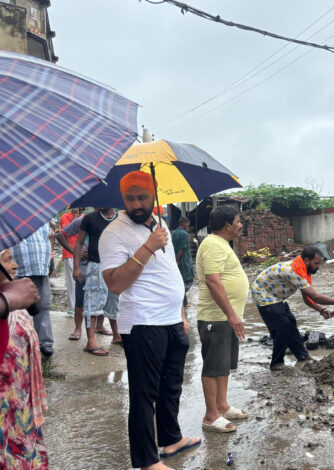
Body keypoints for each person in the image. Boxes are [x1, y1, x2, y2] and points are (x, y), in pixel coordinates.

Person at [100, 171, 199, 470]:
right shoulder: (114, 233)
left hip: (170, 319)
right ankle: (146, 461)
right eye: (130, 198)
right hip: (142, 323)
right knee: (144, 395)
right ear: (123, 199)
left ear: (154, 195)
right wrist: (148, 247)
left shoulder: (160, 223)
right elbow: (115, 283)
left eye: (142, 197)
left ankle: (171, 439)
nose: (136, 203)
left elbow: (167, 272)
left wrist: (180, 313)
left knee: (172, 386)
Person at [252, 246, 334, 371]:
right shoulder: (294, 271)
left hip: (276, 296)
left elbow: (307, 298)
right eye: (316, 263)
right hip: (263, 294)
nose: (319, 266)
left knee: (290, 323)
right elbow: (315, 296)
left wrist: (322, 310)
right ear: (307, 260)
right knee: (283, 327)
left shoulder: (302, 269)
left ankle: (302, 356)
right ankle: (276, 363)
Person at [195, 206, 250, 433]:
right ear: (227, 224)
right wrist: (230, 315)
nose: (240, 225)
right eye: (238, 221)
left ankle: (222, 405)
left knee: (223, 365)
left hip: (226, 317)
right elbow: (213, 281)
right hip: (216, 317)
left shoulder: (221, 244)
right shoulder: (212, 245)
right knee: (213, 365)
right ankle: (210, 415)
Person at [0, 248, 48, 469]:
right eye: (7, 260)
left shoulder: (13, 304)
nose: (15, 265)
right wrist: (7, 301)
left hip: (19, 405)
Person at [73, 206, 121, 355]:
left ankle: (117, 335)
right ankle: (91, 341)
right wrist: (76, 267)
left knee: (115, 301)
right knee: (92, 302)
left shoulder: (121, 219)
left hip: (116, 265)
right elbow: (79, 243)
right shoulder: (90, 218)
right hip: (95, 265)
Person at [11, 224, 53, 357]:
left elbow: (48, 241)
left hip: (40, 269)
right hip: (18, 270)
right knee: (17, 310)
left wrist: (50, 263)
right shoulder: (10, 222)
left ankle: (44, 342)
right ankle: (17, 342)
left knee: (43, 306)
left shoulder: (42, 222)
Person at [57, 213, 88, 341]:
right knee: (79, 296)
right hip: (82, 262)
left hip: (101, 264)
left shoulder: (110, 220)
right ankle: (78, 328)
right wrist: (75, 252)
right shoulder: (81, 220)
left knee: (100, 299)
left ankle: (99, 326)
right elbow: (60, 235)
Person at [59, 208, 81, 316]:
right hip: (69, 253)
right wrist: (76, 219)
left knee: (80, 281)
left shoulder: (84, 218)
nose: (80, 209)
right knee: (71, 282)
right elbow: (65, 232)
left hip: (80, 254)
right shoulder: (65, 217)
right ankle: (72, 308)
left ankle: (80, 306)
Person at [172, 217, 195, 317]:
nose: (188, 226)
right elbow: (182, 248)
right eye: (188, 224)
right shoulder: (184, 234)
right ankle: (177, 297)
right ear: (185, 223)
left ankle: (184, 303)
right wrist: (178, 260)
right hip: (183, 260)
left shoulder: (173, 233)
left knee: (181, 280)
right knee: (189, 280)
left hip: (175, 258)